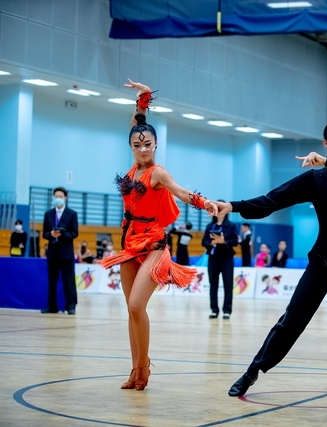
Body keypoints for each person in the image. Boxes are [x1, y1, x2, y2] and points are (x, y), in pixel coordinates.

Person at [216, 116, 327, 407]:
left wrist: (326, 161)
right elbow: (272, 200)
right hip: (323, 258)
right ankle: (252, 372)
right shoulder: (312, 180)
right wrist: (232, 206)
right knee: (291, 321)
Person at [100, 79, 217, 391]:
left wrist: (206, 203)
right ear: (131, 146)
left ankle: (145, 365)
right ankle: (135, 369)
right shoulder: (133, 170)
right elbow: (137, 125)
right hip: (129, 244)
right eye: (137, 145)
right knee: (131, 311)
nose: (142, 149)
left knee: (137, 305)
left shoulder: (157, 173)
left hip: (153, 244)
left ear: (155, 145)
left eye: (148, 144)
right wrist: (142, 99)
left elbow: (181, 193)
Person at [41, 187, 79, 315]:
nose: (58, 198)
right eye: (56, 196)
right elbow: (44, 233)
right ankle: (52, 306)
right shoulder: (48, 214)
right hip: (52, 252)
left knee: (69, 281)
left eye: (60, 196)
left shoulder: (72, 214)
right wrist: (51, 234)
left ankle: (71, 306)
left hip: (66, 253)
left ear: (65, 198)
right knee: (52, 280)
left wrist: (62, 234)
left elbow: (74, 233)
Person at [203, 207, 238, 320]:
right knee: (213, 284)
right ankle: (214, 310)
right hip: (213, 258)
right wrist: (213, 241)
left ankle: (227, 310)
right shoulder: (210, 226)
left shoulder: (231, 225)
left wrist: (224, 241)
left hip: (227, 258)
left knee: (228, 284)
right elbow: (204, 242)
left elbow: (235, 241)